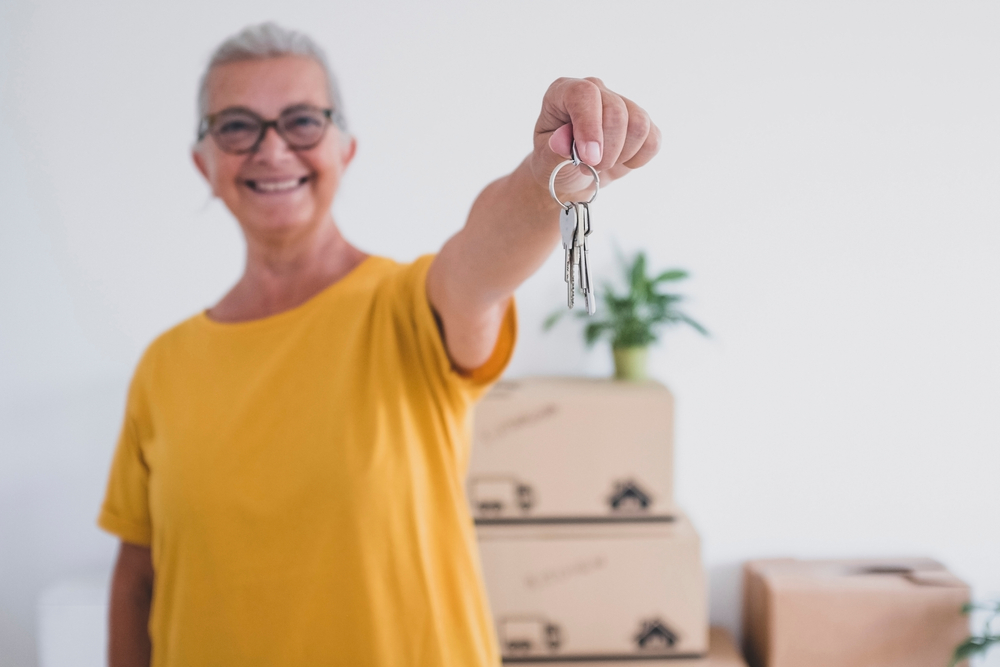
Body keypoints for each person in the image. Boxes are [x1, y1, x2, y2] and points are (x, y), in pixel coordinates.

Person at [98, 22, 660, 667]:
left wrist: (544, 178)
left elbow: (480, 263)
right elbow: (135, 581)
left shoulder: (408, 306)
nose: (272, 150)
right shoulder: (164, 366)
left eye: (302, 121)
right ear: (205, 163)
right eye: (236, 127)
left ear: (346, 149)